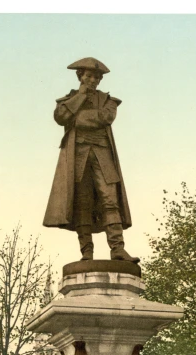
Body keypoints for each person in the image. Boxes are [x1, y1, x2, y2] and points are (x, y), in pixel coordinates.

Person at [43, 56, 139, 263]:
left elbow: (106, 118)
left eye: (97, 77)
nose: (93, 80)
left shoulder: (108, 101)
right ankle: (87, 253)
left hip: (103, 155)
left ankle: (117, 249)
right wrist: (80, 97)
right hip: (77, 158)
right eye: (89, 76)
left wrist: (78, 118)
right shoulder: (68, 101)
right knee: (82, 204)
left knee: (110, 201)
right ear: (80, 76)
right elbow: (61, 118)